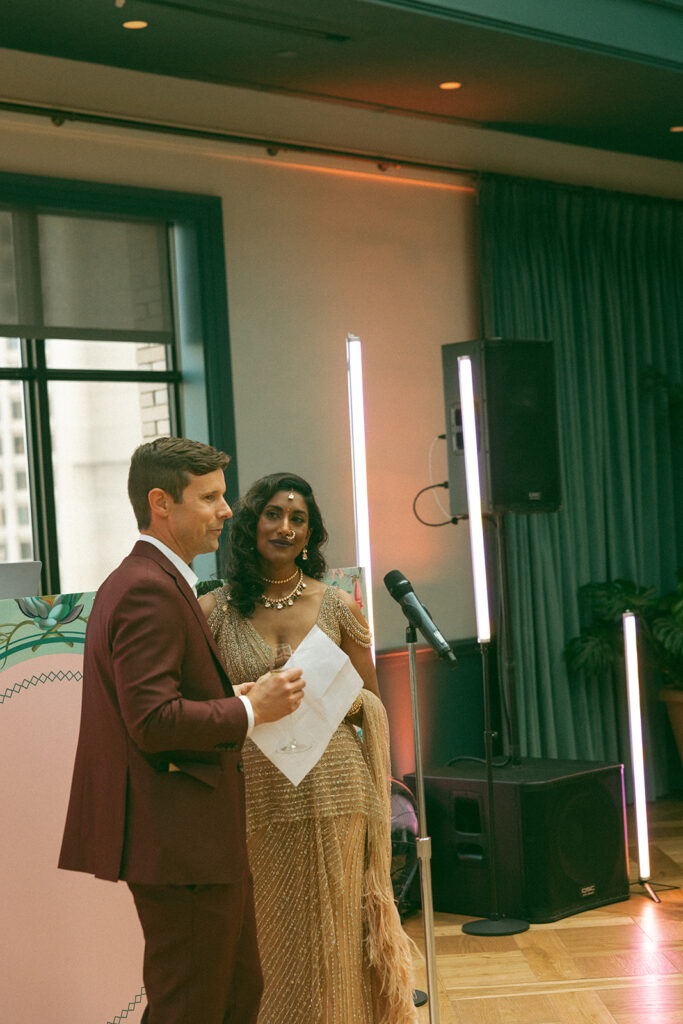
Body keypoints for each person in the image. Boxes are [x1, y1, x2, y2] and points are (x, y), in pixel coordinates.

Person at [59, 438, 306, 1024]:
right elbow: (153, 721)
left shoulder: (152, 579)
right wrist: (251, 712)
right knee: (195, 1006)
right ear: (160, 503)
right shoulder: (148, 586)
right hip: (181, 844)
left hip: (191, 840)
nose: (227, 510)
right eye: (211, 497)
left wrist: (230, 697)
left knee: (230, 996)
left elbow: (156, 705)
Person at [199, 472, 417, 1024]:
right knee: (269, 935)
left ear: (310, 533)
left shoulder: (339, 605)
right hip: (258, 793)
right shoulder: (216, 611)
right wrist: (249, 696)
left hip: (336, 788)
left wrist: (344, 702)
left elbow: (372, 699)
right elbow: (203, 705)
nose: (286, 527)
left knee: (339, 932)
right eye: (273, 514)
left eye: (298, 519)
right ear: (250, 524)